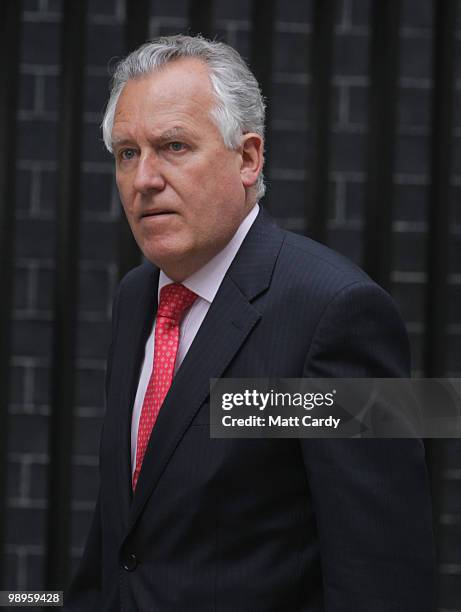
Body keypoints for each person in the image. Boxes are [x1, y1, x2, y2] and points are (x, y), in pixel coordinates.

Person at [65, 35, 435, 611]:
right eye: (127, 153)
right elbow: (126, 542)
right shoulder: (137, 297)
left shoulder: (338, 312)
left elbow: (383, 575)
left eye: (174, 146)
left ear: (248, 158)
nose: (144, 180)